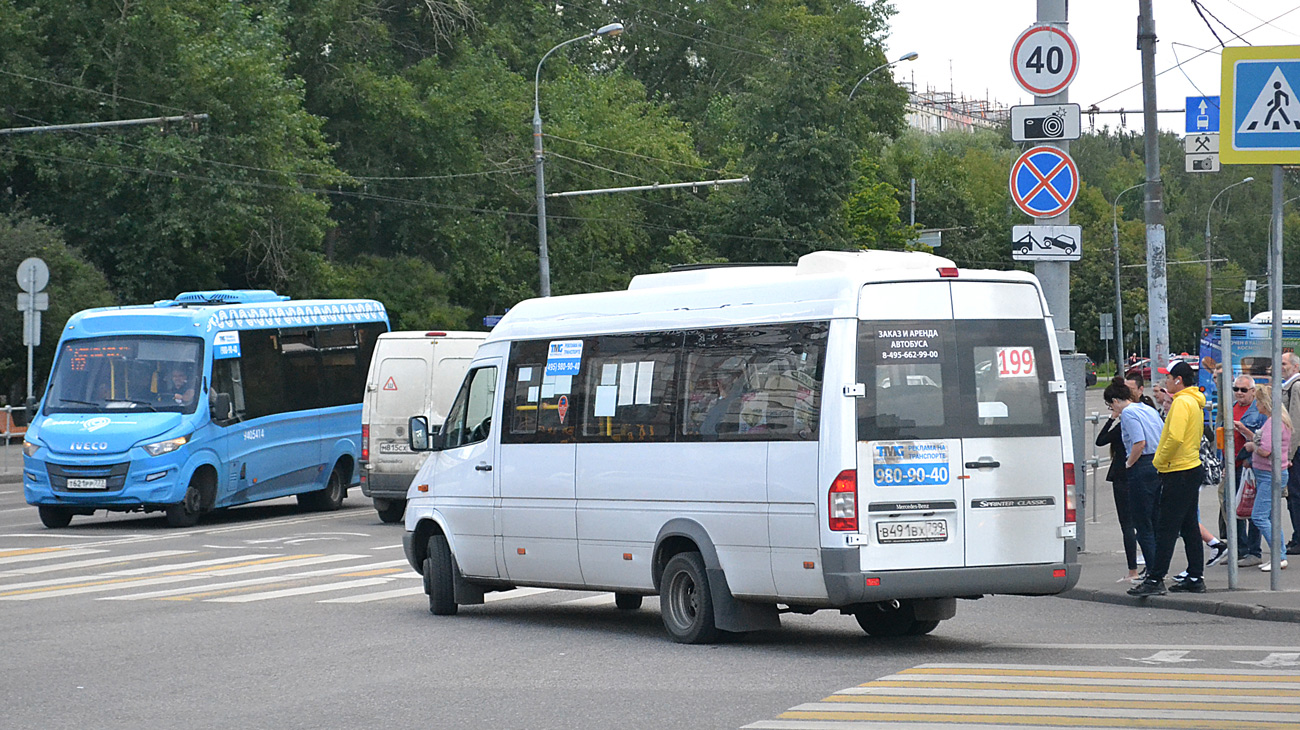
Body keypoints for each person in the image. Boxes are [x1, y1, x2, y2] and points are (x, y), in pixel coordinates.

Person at [1129, 360, 1207, 596]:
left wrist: (1159, 461)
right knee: (1188, 525)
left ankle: (1155, 579)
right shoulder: (1193, 401)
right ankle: (1195, 576)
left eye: (1168, 378)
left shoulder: (1182, 403)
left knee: (1166, 527)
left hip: (1178, 470)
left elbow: (1174, 437)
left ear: (1178, 381)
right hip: (1190, 467)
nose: (1165, 382)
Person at [1105, 376, 1164, 583]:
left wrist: (1129, 464)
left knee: (1142, 524)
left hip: (1142, 466)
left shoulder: (1128, 413)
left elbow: (1139, 442)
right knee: (1155, 520)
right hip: (1158, 463)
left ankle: (1153, 574)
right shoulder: (1148, 409)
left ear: (1114, 402)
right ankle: (1158, 569)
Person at [1098, 376, 1141, 582]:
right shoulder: (1144, 410)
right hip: (1143, 471)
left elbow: (1100, 440)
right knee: (1144, 522)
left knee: (1127, 524)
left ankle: (1133, 570)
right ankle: (1151, 567)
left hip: (1123, 474)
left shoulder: (1125, 420)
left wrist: (1112, 418)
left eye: (1110, 406)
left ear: (1115, 402)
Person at [1245, 384, 1291, 572]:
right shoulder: (1280, 421)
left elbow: (1265, 449)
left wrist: (1252, 447)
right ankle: (1278, 555)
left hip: (1269, 474)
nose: (1256, 405)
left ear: (1265, 403)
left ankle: (1278, 556)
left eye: (1257, 401)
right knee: (1270, 517)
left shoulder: (1273, 423)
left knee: (1259, 516)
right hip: (1272, 472)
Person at [1230, 375, 1266, 567]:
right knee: (1233, 507)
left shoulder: (1259, 411)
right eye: (1236, 389)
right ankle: (1239, 549)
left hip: (1250, 466)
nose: (1239, 393)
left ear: (1253, 391)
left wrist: (1244, 429)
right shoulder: (1231, 408)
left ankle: (1254, 551)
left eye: (1243, 390)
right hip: (1232, 464)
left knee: (1251, 508)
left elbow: (1263, 441)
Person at [1279, 352, 1300, 556]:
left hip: (1296, 451)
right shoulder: (1289, 386)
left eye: (1284, 363)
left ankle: (1298, 538)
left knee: (1295, 495)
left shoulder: (1295, 387)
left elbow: (1295, 422)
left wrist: (1289, 454)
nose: (1281, 366)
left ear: (1295, 367)